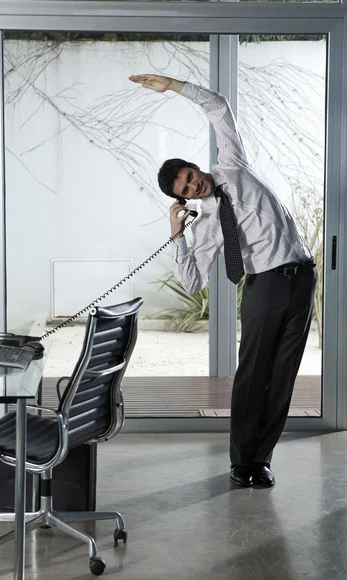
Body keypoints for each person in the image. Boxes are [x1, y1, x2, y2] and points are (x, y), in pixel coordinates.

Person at [129, 73, 317, 488]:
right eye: (186, 190)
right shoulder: (208, 224)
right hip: (263, 288)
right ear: (185, 199)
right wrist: (177, 235)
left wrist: (175, 86)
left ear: (196, 166)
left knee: (284, 375)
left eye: (190, 176)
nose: (194, 185)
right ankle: (241, 461)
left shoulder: (232, 164)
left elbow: (218, 106)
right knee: (253, 376)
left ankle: (262, 460)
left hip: (302, 279)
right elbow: (193, 280)